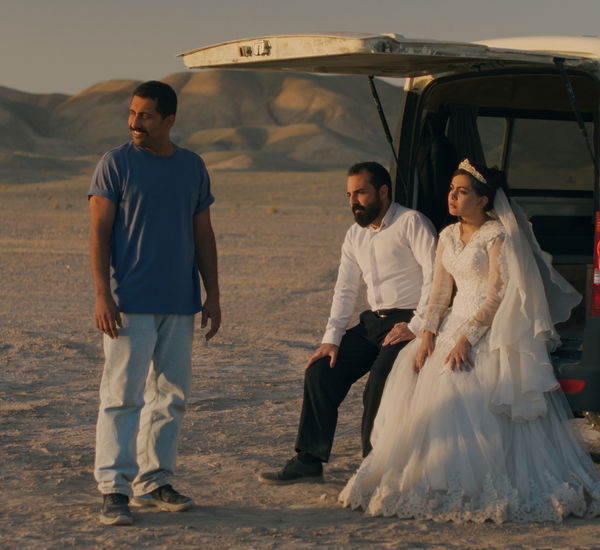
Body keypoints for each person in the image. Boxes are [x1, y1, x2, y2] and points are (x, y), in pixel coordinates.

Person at [340, 159, 600, 523]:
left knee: (464, 380)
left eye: (462, 192)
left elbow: (496, 295)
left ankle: (480, 479)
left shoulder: (497, 236)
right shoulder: (446, 236)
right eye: (451, 189)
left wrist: (467, 338)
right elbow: (439, 292)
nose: (452, 196)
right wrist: (428, 332)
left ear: (482, 200)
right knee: (420, 370)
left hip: (488, 326)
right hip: (451, 322)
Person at [89, 80, 221, 526]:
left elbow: (203, 233)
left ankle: (154, 479)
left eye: (144, 115)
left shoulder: (192, 167)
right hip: (129, 302)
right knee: (122, 396)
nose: (134, 122)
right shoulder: (115, 164)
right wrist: (102, 294)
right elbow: (98, 234)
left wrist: (213, 293)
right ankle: (114, 488)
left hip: (180, 303)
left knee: (170, 396)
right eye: (131, 113)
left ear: (169, 120)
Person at [259, 161, 436, 484]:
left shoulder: (412, 223)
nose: (353, 201)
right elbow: (345, 289)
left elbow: (434, 277)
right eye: (349, 195)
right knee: (320, 371)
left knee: (379, 383)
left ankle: (374, 467)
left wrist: (417, 324)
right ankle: (309, 460)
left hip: (409, 320)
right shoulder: (355, 235)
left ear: (383, 192)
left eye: (361, 193)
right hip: (374, 323)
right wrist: (332, 339)